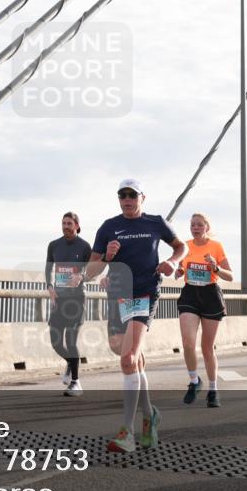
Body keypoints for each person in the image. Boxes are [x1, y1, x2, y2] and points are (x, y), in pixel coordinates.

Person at [86, 178, 187, 453]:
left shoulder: (156, 223)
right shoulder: (108, 227)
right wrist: (106, 257)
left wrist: (172, 262)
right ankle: (149, 414)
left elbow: (181, 247)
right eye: (122, 195)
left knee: (128, 359)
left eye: (132, 195)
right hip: (119, 295)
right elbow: (90, 272)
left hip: (144, 293)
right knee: (127, 355)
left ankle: (127, 433)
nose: (127, 199)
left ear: (143, 197)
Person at [174, 213, 233, 407]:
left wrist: (215, 268)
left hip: (210, 295)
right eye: (192, 225)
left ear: (207, 227)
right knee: (188, 343)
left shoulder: (216, 247)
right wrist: (179, 271)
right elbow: (181, 268)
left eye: (199, 225)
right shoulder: (185, 246)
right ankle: (194, 381)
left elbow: (230, 276)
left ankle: (213, 389)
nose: (195, 228)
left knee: (207, 348)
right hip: (190, 293)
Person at [45, 212, 91, 397]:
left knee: (70, 341)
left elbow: (93, 270)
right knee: (56, 343)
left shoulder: (85, 247)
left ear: (77, 225)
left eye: (69, 223)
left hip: (76, 300)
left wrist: (82, 276)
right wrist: (50, 287)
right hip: (59, 300)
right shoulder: (54, 245)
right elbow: (48, 269)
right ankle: (71, 364)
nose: (65, 226)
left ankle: (75, 382)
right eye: (63, 223)